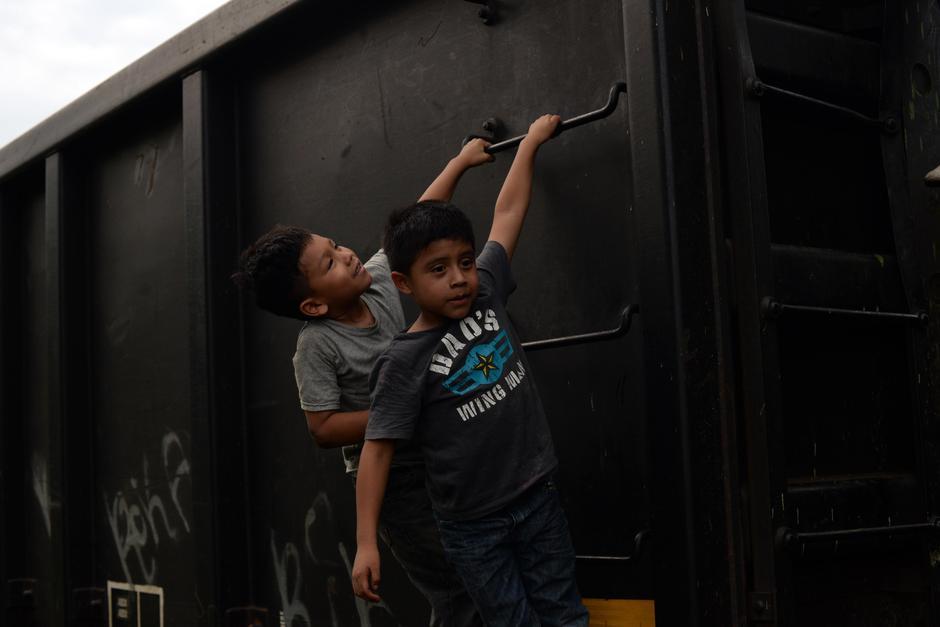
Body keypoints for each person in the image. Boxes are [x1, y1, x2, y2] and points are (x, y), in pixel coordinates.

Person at [233, 139, 494, 626]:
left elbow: (416, 222)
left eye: (335, 246)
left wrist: (459, 163)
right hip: (394, 482)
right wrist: (394, 414)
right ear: (314, 305)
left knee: (481, 570)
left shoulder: (375, 282)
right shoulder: (317, 346)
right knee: (457, 588)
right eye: (330, 263)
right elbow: (323, 427)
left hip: (439, 456)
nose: (347, 255)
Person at [353, 114, 589, 626]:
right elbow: (377, 451)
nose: (459, 278)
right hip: (473, 528)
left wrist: (529, 144)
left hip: (537, 496)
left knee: (564, 613)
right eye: (438, 270)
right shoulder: (402, 361)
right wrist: (366, 542)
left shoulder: (486, 289)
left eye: (464, 261)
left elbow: (508, 212)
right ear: (404, 283)